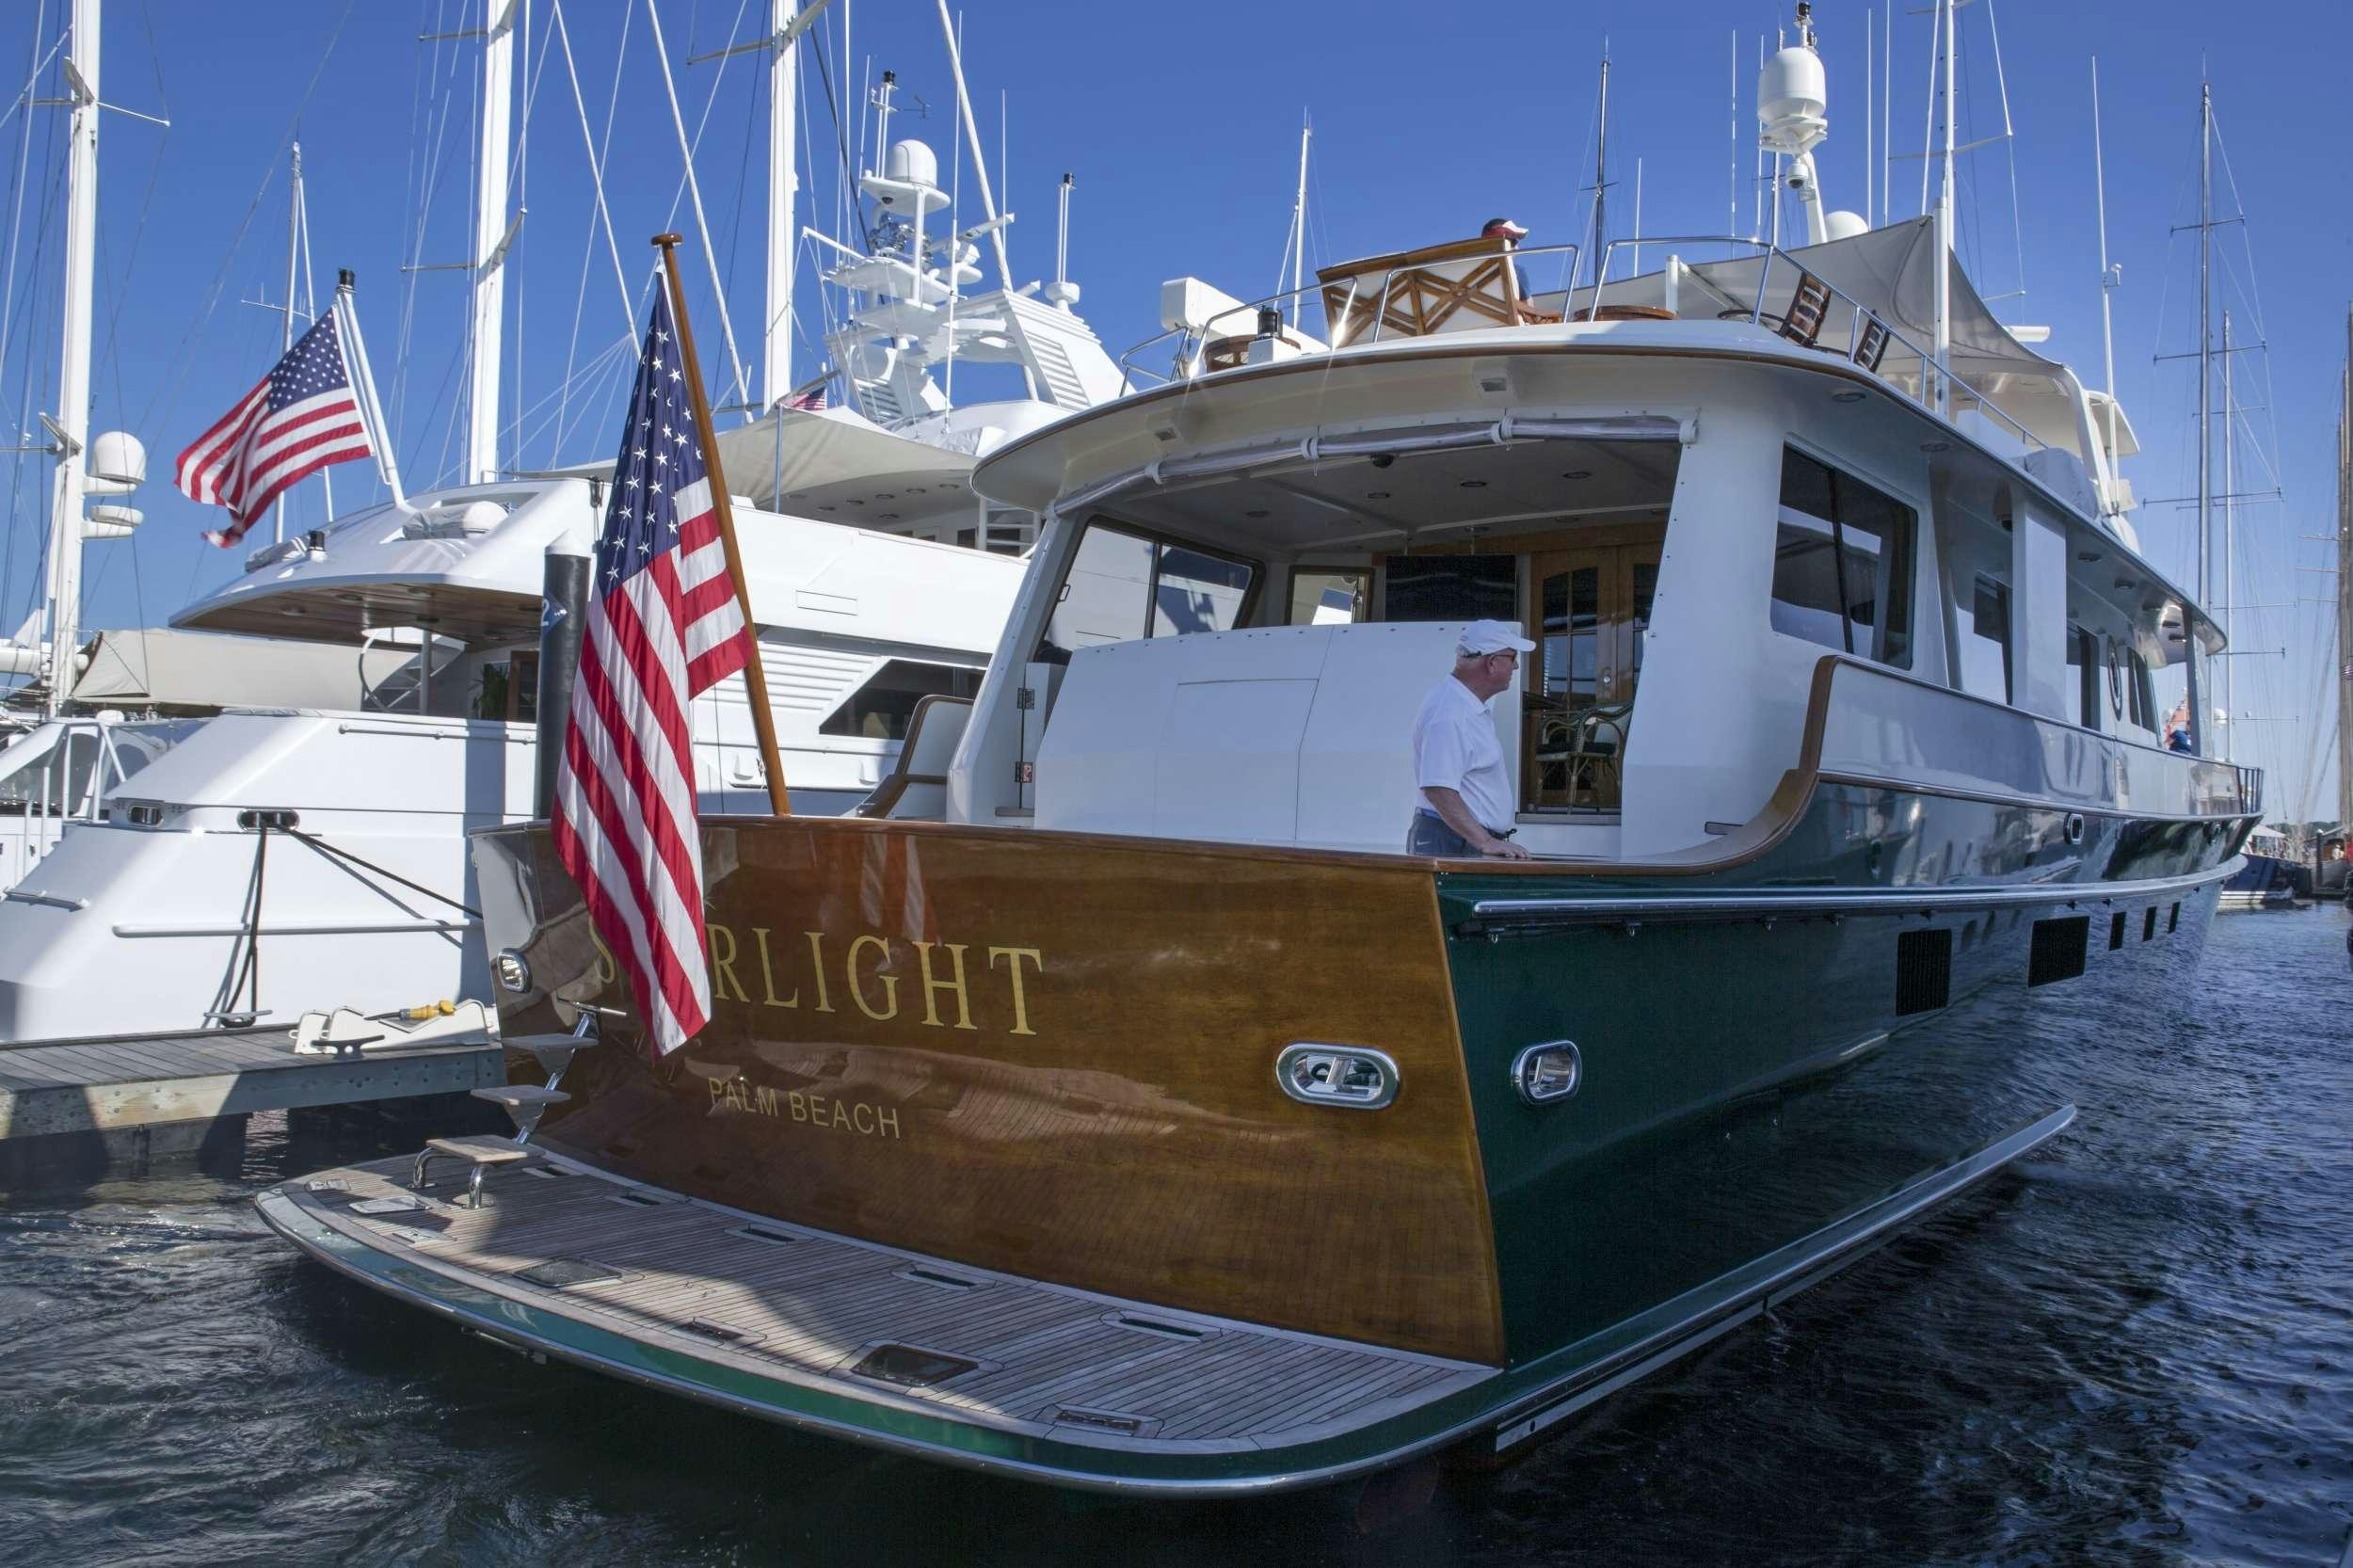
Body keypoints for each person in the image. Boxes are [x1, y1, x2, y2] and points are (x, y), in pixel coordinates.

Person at [1409, 620, 1535, 858]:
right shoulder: (1449, 713)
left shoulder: (1464, 704)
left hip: (1459, 839)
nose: (1516, 666)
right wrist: (1486, 841)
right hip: (1452, 842)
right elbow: (1438, 788)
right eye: (1512, 657)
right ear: (1492, 662)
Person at [1481, 217, 1533, 312]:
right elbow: (1530, 310)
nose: (1517, 248)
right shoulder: (1516, 271)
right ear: (1499, 243)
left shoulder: (1459, 272)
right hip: (1510, 326)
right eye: (1513, 242)